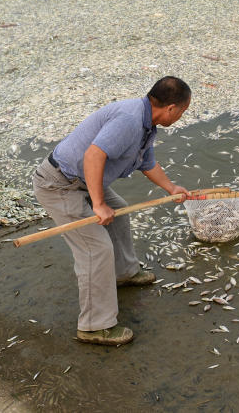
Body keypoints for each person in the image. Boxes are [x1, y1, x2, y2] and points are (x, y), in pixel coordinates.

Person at [32, 76, 192, 345]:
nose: (180, 117)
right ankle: (94, 326)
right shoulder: (129, 120)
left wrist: (171, 188)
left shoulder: (146, 124)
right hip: (60, 184)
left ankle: (124, 273)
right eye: (183, 112)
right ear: (171, 108)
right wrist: (97, 204)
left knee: (118, 212)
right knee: (95, 249)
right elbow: (93, 156)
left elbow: (147, 162)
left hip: (84, 180)